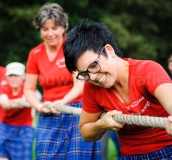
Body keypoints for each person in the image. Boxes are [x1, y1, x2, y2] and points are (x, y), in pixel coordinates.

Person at [63, 20, 172, 159]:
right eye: (84, 74)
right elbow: (85, 132)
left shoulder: (147, 70)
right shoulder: (91, 88)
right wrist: (102, 125)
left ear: (109, 51)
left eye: (93, 65)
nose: (93, 76)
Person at [24, 3, 102, 160]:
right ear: (39, 31)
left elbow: (80, 84)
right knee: (44, 155)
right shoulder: (35, 54)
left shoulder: (72, 48)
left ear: (63, 27)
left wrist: (62, 102)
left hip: (78, 110)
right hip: (48, 110)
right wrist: (39, 107)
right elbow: (29, 89)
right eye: (45, 29)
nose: (50, 33)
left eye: (54, 28)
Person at [0, 62, 42, 160]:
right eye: (11, 75)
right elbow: (4, 103)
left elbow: (38, 100)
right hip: (4, 124)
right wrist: (19, 102)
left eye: (16, 75)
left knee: (25, 147)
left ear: (23, 76)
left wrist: (25, 100)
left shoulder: (30, 89)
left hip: (24, 126)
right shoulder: (3, 88)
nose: (13, 78)